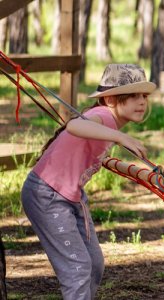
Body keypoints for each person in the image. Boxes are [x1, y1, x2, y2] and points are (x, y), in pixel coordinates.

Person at [20, 64, 155, 299]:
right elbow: (74, 125)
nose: (142, 101)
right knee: (78, 268)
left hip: (71, 196)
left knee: (93, 265)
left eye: (144, 95)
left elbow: (102, 158)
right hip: (47, 195)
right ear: (111, 99)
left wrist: (148, 176)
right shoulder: (101, 116)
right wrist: (120, 137)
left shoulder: (108, 124)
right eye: (133, 95)